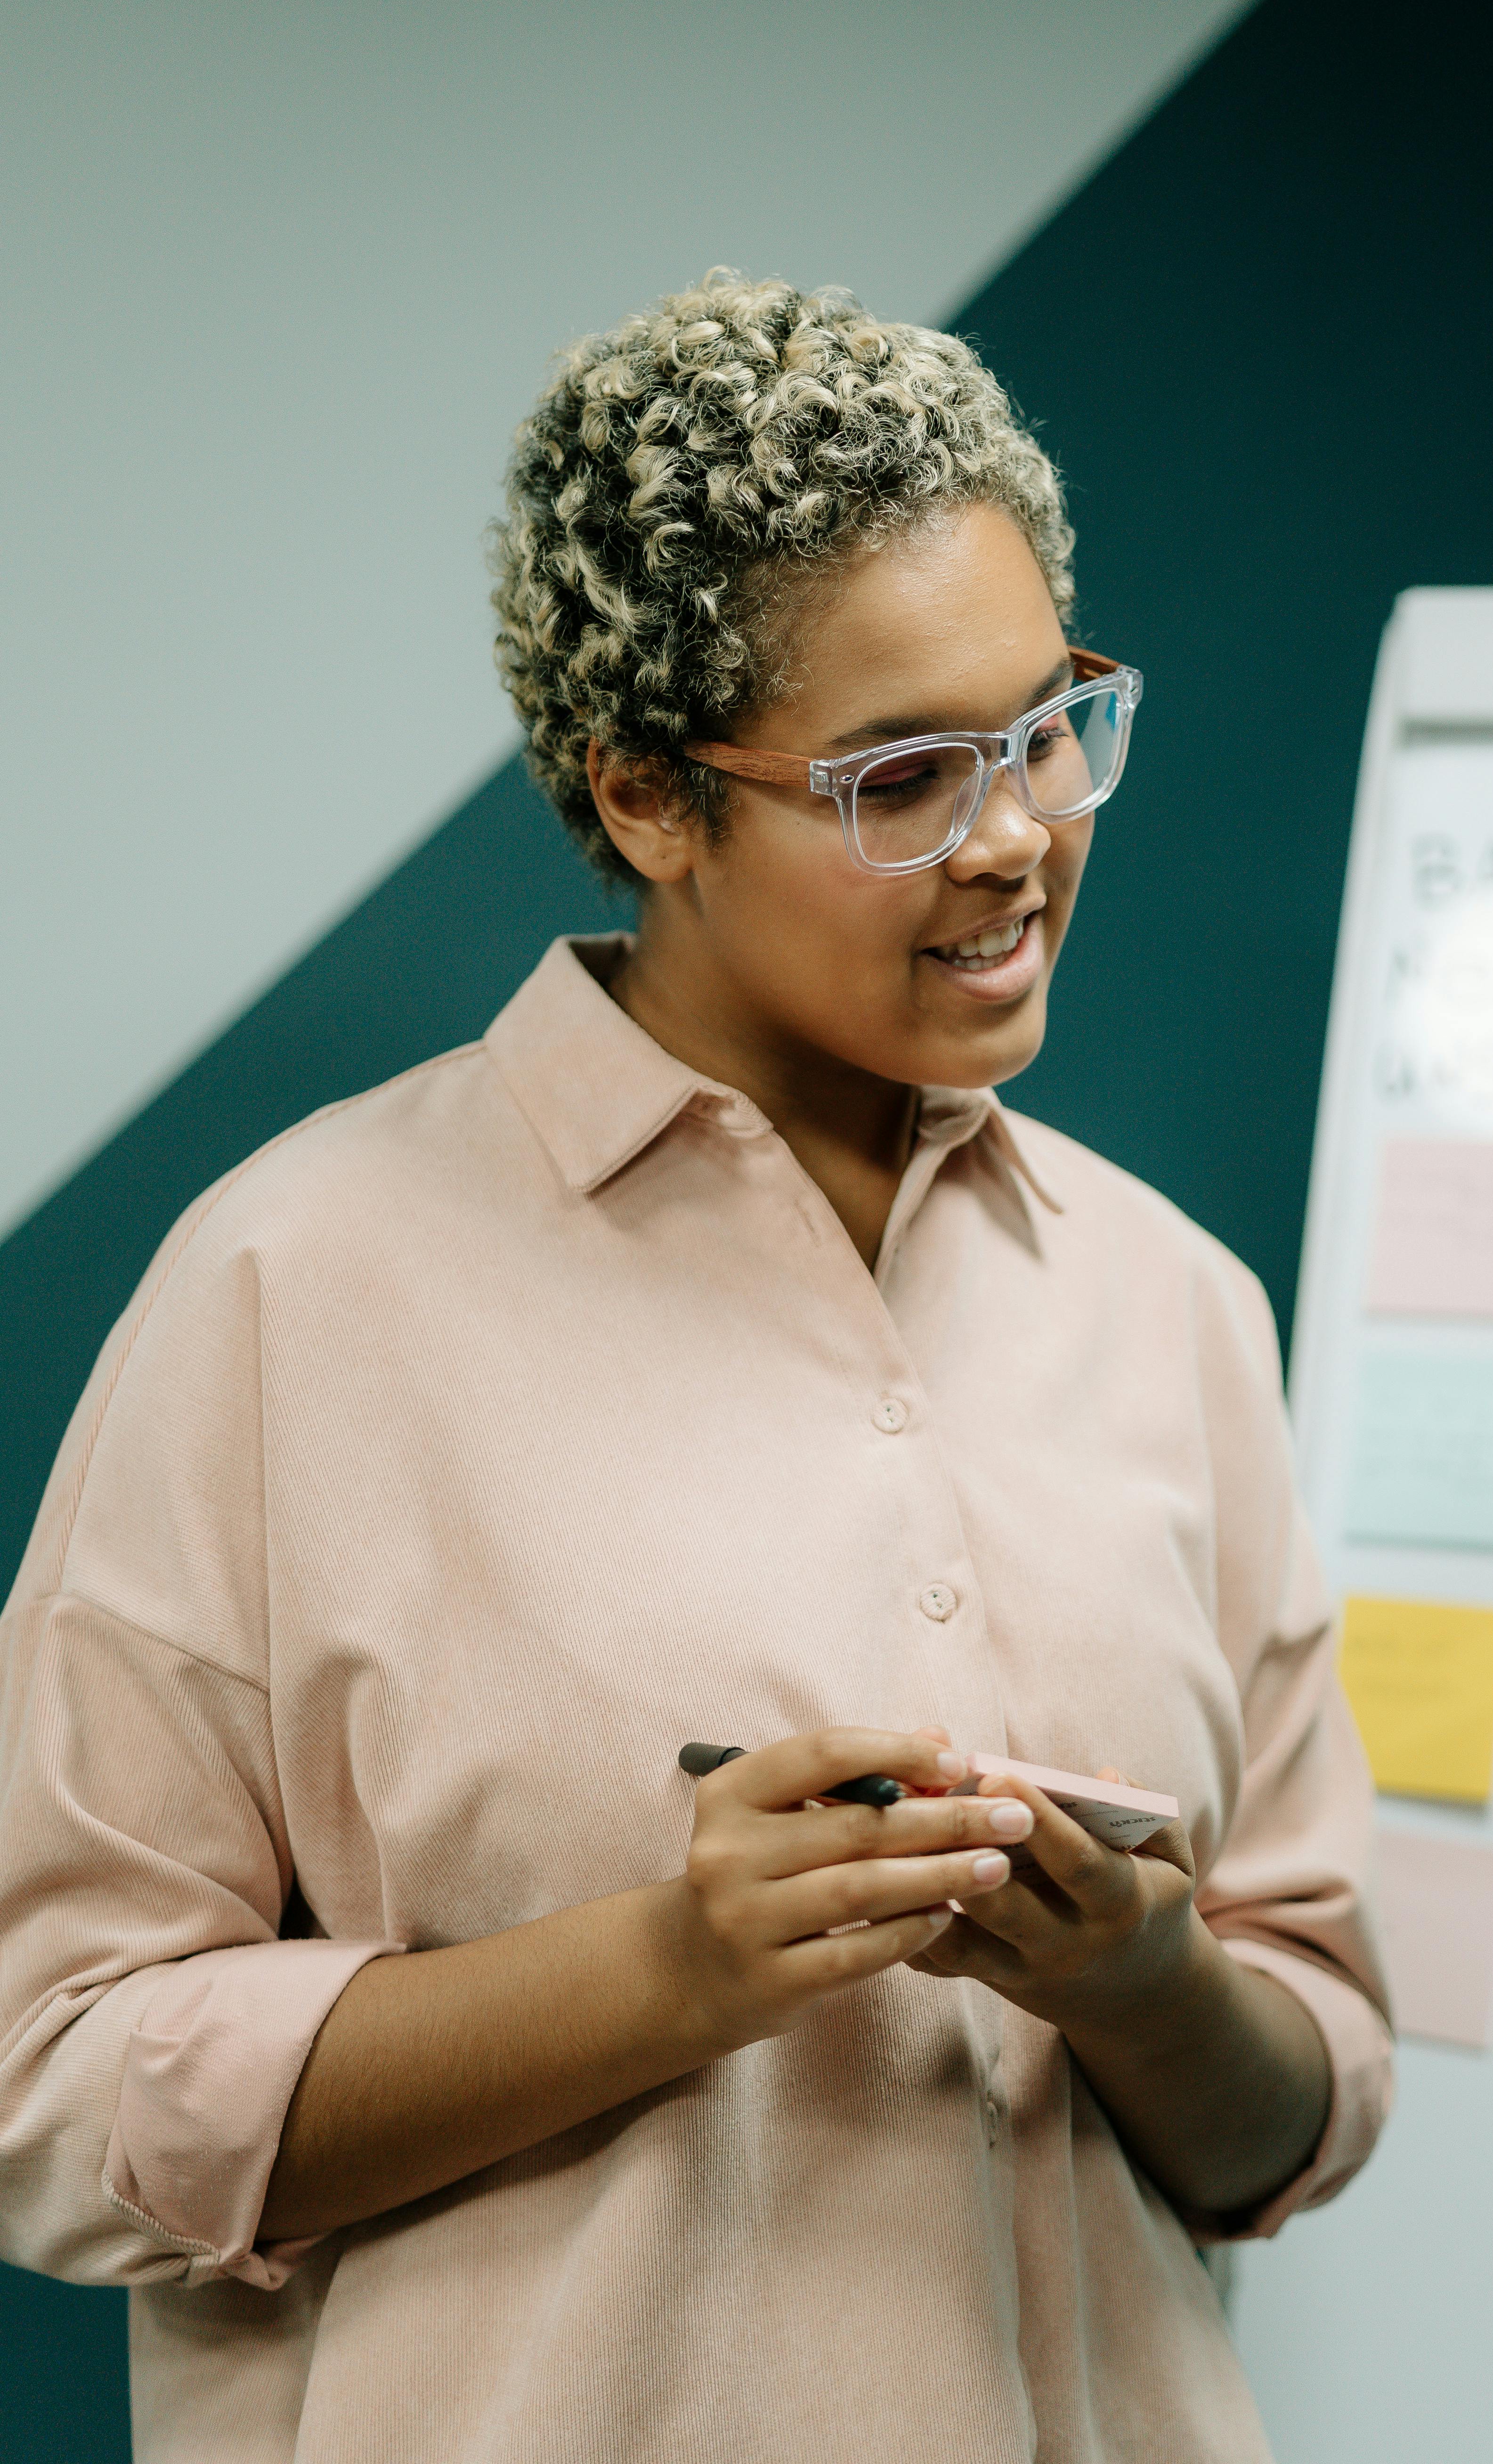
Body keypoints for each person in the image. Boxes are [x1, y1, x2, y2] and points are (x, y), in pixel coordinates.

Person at [0, 272, 1391, 2461]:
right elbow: (52, 2088)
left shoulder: (1176, 1307)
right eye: (907, 776)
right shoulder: (290, 1286)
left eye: (1050, 726)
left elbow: (1292, 2113)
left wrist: (1140, 1980)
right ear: (648, 798)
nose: (1018, 835)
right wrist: (673, 1972)